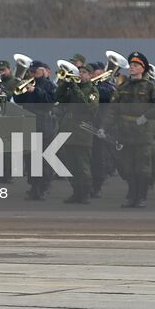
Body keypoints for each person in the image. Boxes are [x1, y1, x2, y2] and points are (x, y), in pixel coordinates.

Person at [106, 52, 155, 207]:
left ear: (143, 68)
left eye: (136, 65)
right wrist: (104, 127)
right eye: (131, 65)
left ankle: (141, 197)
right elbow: (113, 110)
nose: (132, 68)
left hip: (144, 133)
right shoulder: (123, 87)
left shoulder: (150, 87)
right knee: (128, 167)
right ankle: (131, 196)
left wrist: (147, 116)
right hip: (126, 132)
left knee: (142, 167)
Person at [55, 62, 99, 204]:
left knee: (82, 165)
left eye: (84, 72)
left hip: (82, 131)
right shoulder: (72, 88)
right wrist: (65, 84)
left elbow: (87, 106)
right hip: (68, 129)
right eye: (79, 72)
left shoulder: (92, 91)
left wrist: (75, 88)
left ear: (90, 75)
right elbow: (59, 98)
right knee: (71, 164)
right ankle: (76, 192)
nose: (80, 75)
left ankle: (85, 193)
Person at [13, 59, 57, 200]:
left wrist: (36, 90)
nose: (33, 73)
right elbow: (18, 100)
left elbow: (50, 102)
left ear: (43, 70)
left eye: (35, 71)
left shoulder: (50, 85)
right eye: (31, 71)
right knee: (30, 158)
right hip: (29, 124)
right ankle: (34, 186)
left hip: (43, 125)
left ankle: (43, 187)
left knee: (43, 158)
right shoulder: (28, 83)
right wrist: (20, 91)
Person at [90, 61, 116, 198]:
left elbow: (106, 95)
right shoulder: (87, 86)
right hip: (87, 126)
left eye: (95, 72)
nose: (93, 74)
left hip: (101, 126)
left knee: (100, 157)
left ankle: (97, 185)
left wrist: (93, 86)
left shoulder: (107, 87)